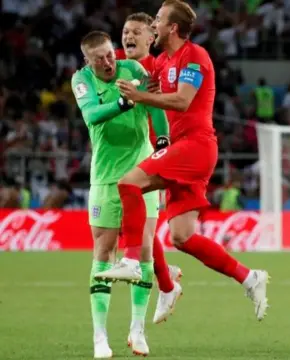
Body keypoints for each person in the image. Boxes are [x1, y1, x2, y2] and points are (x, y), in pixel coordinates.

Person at [95, 0, 270, 321]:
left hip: (195, 146)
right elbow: (145, 73)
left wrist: (140, 96)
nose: (154, 25)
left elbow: (181, 100)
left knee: (128, 184)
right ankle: (249, 277)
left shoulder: (195, 56)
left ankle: (135, 261)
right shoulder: (164, 61)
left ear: (172, 28)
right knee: (182, 237)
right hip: (184, 148)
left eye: (158, 20)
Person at [71, 31, 170, 358]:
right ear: (88, 60)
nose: (108, 61)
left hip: (142, 176)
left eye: (110, 54)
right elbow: (91, 115)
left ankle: (137, 330)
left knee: (144, 252)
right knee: (104, 251)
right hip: (105, 179)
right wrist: (126, 100)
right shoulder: (82, 80)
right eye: (99, 58)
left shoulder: (134, 70)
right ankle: (100, 336)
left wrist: (163, 141)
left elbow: (156, 105)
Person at [117, 11, 184, 326]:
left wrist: (162, 143)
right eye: (125, 31)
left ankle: (166, 283)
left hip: (149, 155)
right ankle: (165, 274)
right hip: (117, 157)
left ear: (150, 37)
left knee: (143, 230)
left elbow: (158, 108)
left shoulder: (154, 69)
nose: (129, 36)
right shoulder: (117, 65)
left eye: (136, 32)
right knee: (134, 228)